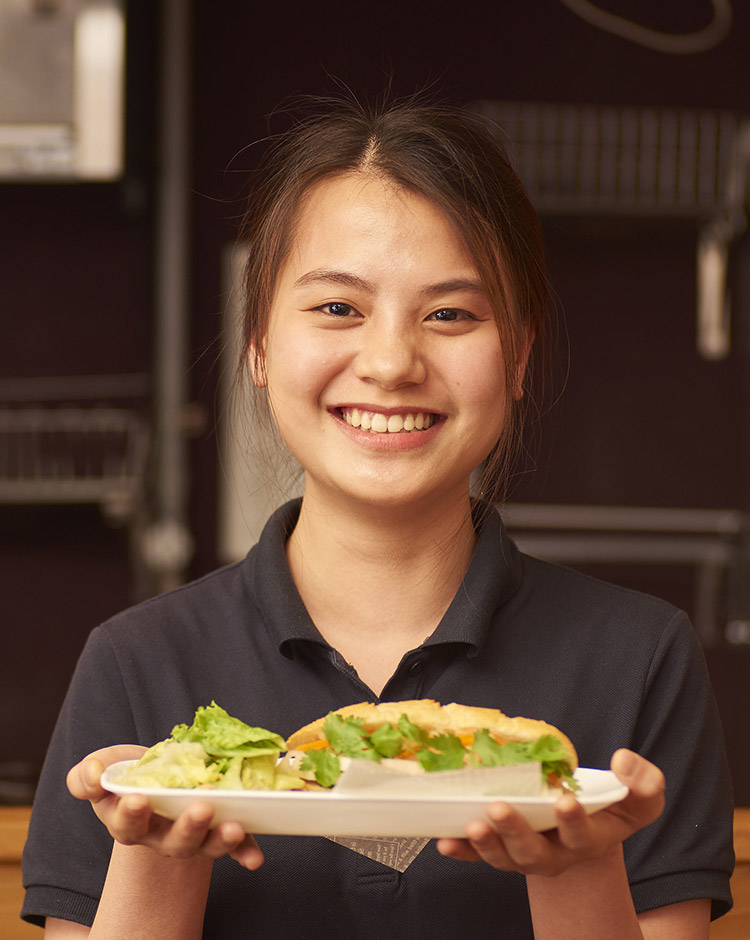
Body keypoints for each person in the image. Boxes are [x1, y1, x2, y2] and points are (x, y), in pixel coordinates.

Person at [22, 95, 733, 939]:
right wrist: (158, 852)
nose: (392, 362)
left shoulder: (640, 658)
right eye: (337, 308)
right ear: (257, 344)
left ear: (520, 357)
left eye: (451, 314)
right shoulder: (136, 662)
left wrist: (576, 865)